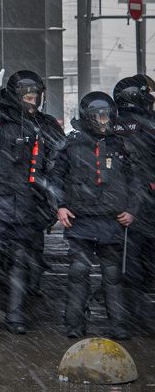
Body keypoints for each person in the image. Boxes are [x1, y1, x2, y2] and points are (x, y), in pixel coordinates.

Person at [0, 71, 64, 334]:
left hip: (28, 203)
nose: (32, 101)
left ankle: (15, 314)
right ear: (16, 95)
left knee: (20, 260)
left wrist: (53, 200)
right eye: (27, 96)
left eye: (35, 96)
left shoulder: (45, 124)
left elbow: (59, 165)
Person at [50, 92, 139, 340]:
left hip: (113, 220)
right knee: (78, 272)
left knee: (112, 275)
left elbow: (136, 181)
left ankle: (118, 326)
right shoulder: (71, 144)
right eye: (99, 116)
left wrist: (132, 209)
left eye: (107, 115)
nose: (104, 120)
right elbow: (54, 178)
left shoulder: (121, 145)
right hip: (81, 220)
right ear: (88, 117)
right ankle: (74, 325)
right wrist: (60, 206)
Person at [112, 75, 155, 336]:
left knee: (124, 262)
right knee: (144, 259)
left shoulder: (109, 126)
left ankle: (126, 316)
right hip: (147, 204)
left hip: (117, 203)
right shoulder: (150, 126)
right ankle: (137, 316)